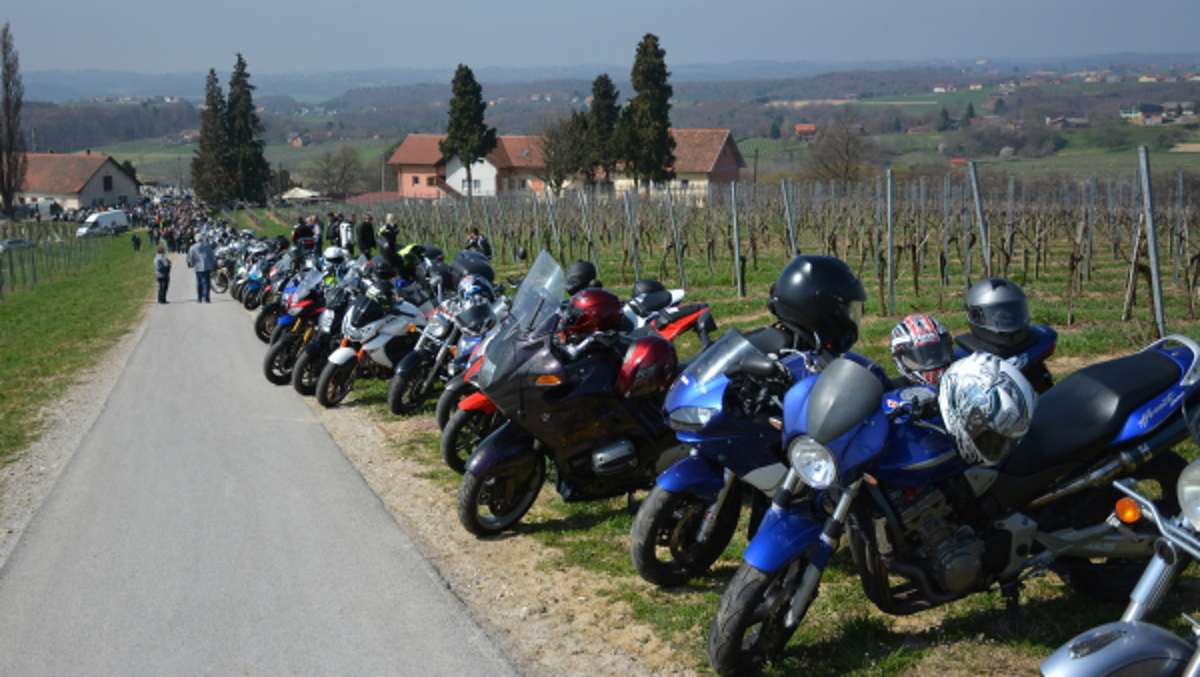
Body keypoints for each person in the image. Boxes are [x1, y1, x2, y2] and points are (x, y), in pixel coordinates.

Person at [187, 234, 216, 303]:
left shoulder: (193, 247)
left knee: (199, 282)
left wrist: (192, 264)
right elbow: (211, 255)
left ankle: (199, 298)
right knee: (206, 282)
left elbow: (191, 257)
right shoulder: (207, 246)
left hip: (198, 266)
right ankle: (206, 297)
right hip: (207, 266)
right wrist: (211, 263)